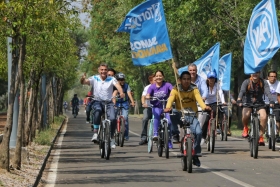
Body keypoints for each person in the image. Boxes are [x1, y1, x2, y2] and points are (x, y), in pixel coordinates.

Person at [164, 71, 211, 167]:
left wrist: (204, 107)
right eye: (184, 79)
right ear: (180, 80)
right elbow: (170, 99)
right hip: (179, 114)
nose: (186, 81)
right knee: (172, 113)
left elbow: (199, 99)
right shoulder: (175, 89)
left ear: (190, 80)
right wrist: (168, 107)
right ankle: (175, 133)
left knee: (198, 133)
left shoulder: (194, 89)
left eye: (188, 79)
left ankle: (196, 153)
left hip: (191, 114)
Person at [80, 63, 125, 149]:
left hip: (109, 102)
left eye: (105, 70)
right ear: (99, 70)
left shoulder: (112, 79)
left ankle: (111, 139)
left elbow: (118, 86)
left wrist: (121, 92)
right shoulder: (94, 78)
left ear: (107, 71)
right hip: (97, 101)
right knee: (97, 112)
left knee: (113, 119)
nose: (103, 71)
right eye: (102, 70)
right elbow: (84, 82)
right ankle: (96, 133)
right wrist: (82, 79)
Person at [172, 63, 208, 142]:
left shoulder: (201, 80)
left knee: (203, 114)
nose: (192, 72)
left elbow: (205, 90)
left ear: (196, 71)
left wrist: (204, 97)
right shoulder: (181, 81)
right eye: (190, 70)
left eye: (194, 70)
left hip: (198, 103)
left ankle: (197, 131)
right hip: (183, 105)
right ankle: (182, 137)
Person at [237, 71, 274, 146]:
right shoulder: (246, 82)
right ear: (250, 74)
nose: (255, 74)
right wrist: (239, 99)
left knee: (263, 117)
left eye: (257, 72)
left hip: (259, 103)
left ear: (259, 73)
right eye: (253, 73)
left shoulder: (263, 82)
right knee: (245, 115)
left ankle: (260, 136)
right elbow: (242, 91)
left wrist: (271, 100)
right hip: (248, 103)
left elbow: (268, 92)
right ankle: (245, 127)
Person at [146, 70, 173, 149]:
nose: (158, 77)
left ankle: (169, 140)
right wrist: (148, 96)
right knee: (157, 117)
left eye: (160, 76)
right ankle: (155, 134)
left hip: (166, 107)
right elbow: (148, 94)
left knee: (169, 122)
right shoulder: (152, 87)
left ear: (163, 77)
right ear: (155, 77)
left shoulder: (167, 85)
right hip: (156, 106)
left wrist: (172, 94)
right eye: (157, 76)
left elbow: (172, 91)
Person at [201, 71, 226, 145]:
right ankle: (203, 136)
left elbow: (220, 93)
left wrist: (223, 101)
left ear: (215, 79)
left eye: (213, 78)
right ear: (208, 79)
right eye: (210, 78)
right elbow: (202, 93)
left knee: (217, 112)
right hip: (206, 103)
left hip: (214, 103)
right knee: (205, 120)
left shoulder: (217, 85)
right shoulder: (205, 85)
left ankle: (217, 127)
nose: (212, 80)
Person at [113, 72, 135, 141]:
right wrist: (113, 104)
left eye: (123, 79)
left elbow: (129, 94)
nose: (122, 81)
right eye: (120, 80)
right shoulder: (114, 86)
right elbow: (113, 95)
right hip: (116, 103)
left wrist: (132, 102)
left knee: (125, 118)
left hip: (124, 104)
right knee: (113, 118)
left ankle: (125, 135)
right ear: (117, 80)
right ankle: (113, 133)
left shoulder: (126, 86)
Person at [139, 74, 156, 145]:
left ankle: (161, 136)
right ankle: (144, 137)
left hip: (158, 107)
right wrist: (143, 103)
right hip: (148, 107)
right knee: (145, 119)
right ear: (151, 81)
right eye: (155, 80)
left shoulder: (162, 86)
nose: (156, 81)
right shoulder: (147, 87)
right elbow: (143, 97)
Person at [265, 71, 280, 143]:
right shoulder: (265, 83)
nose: (273, 78)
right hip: (265, 103)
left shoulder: (278, 83)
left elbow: (279, 95)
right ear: (268, 77)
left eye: (274, 76)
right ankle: (265, 130)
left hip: (275, 103)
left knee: (277, 118)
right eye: (271, 76)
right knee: (263, 117)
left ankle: (276, 134)